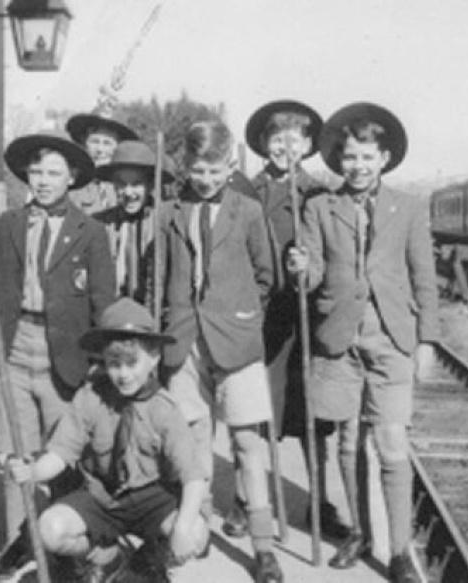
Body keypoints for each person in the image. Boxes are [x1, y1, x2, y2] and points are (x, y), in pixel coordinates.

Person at [287, 102, 438, 583]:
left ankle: (398, 551)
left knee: (392, 444)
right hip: (338, 340)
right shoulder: (318, 206)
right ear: (338, 160)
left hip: (392, 339)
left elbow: (424, 279)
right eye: (350, 158)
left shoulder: (409, 208)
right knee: (349, 442)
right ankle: (359, 532)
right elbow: (309, 277)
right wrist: (299, 270)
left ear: (385, 158)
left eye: (367, 158)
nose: (358, 167)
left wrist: (427, 340)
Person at [156, 120, 283, 583]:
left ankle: (264, 546)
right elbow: (160, 276)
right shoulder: (168, 212)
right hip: (185, 344)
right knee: (193, 443)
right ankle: (201, 526)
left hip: (237, 342)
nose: (205, 178)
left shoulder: (247, 211)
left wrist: (242, 319)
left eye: (214, 169)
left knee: (248, 444)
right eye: (196, 169)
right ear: (184, 167)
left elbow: (267, 277)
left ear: (230, 166)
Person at [5, 298, 208, 582]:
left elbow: (193, 478)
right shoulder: (90, 397)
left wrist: (183, 529)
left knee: (196, 534)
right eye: (114, 364)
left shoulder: (165, 410)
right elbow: (59, 455)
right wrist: (31, 471)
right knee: (49, 530)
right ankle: (106, 557)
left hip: (152, 498)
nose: (123, 374)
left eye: (132, 363)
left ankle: (148, 561)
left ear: (154, 358)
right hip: (102, 497)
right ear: (103, 360)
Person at [225, 100, 350, 541]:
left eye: (294, 138)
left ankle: (319, 503)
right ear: (262, 143)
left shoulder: (320, 194)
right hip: (259, 320)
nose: (284, 146)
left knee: (311, 417)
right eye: (276, 138)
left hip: (305, 322)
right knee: (253, 414)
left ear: (309, 144)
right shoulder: (245, 192)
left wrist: (307, 267)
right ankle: (247, 499)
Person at [0, 129, 116, 543]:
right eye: (37, 172)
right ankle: (17, 544)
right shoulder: (9, 223)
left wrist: (102, 361)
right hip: (15, 346)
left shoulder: (91, 232)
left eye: (53, 172)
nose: (43, 180)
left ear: (72, 177)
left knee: (62, 454)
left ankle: (62, 542)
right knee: (16, 454)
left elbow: (103, 301)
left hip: (64, 352)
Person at [92, 140, 176, 306]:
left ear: (150, 184)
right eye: (122, 184)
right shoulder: (99, 224)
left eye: (136, 184)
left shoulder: (165, 222)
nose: (129, 193)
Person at [65, 111, 139, 215]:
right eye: (94, 141)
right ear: (84, 143)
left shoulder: (128, 186)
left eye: (107, 143)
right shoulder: (74, 184)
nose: (100, 150)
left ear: (118, 147)